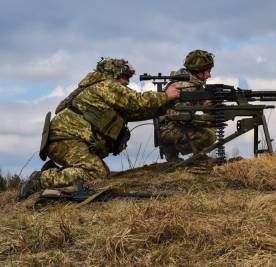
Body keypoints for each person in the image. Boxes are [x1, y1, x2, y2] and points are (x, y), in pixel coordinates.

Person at [19, 57, 180, 200]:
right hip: (66, 138)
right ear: (113, 75)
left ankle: (56, 174)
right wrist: (165, 96)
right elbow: (136, 102)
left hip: (68, 139)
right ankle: (40, 179)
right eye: (124, 77)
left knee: (100, 172)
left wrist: (165, 104)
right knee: (95, 173)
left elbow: (136, 112)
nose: (127, 82)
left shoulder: (104, 90)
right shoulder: (106, 86)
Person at [159, 49, 216, 161]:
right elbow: (177, 116)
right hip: (168, 130)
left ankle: (175, 153)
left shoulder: (194, 85)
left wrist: (216, 104)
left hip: (171, 128)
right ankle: (175, 151)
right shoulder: (184, 86)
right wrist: (205, 119)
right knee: (210, 135)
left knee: (213, 122)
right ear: (200, 72)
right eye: (208, 71)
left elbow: (207, 106)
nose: (209, 75)